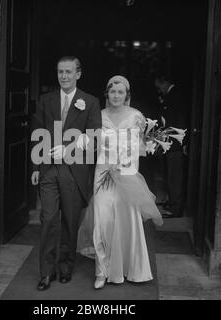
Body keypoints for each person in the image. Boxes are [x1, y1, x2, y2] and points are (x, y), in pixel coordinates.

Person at [77, 75, 163, 290]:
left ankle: (130, 267)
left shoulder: (136, 117)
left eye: (120, 92)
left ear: (127, 95)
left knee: (126, 221)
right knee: (102, 220)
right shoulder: (98, 116)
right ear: (107, 94)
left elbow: (140, 148)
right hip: (103, 173)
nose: (116, 95)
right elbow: (89, 143)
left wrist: (124, 166)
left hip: (126, 174)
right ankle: (101, 271)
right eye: (112, 92)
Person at [30, 56, 102, 291]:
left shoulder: (90, 102)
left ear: (78, 74)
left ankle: (65, 267)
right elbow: (38, 132)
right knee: (48, 219)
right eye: (60, 72)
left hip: (74, 170)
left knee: (70, 222)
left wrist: (71, 147)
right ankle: (46, 272)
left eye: (69, 72)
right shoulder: (46, 100)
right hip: (49, 169)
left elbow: (94, 137)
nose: (64, 76)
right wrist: (35, 167)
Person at [154, 75, 188, 218]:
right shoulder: (171, 96)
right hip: (170, 142)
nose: (159, 90)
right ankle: (172, 203)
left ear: (165, 82)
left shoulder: (176, 95)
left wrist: (183, 142)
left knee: (175, 177)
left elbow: (180, 119)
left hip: (175, 143)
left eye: (159, 87)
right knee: (171, 175)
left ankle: (175, 208)